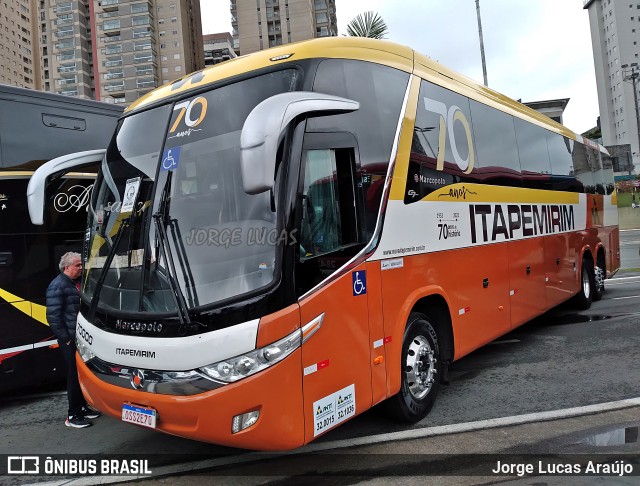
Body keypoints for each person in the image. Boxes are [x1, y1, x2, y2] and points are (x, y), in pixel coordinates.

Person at [46, 252, 101, 428]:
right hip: (70, 339)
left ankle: (83, 407)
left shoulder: (75, 284)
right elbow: (53, 317)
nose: (81, 268)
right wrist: (65, 338)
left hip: (80, 337)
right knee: (73, 376)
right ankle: (73, 415)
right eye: (77, 265)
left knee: (81, 375)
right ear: (67, 267)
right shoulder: (57, 286)